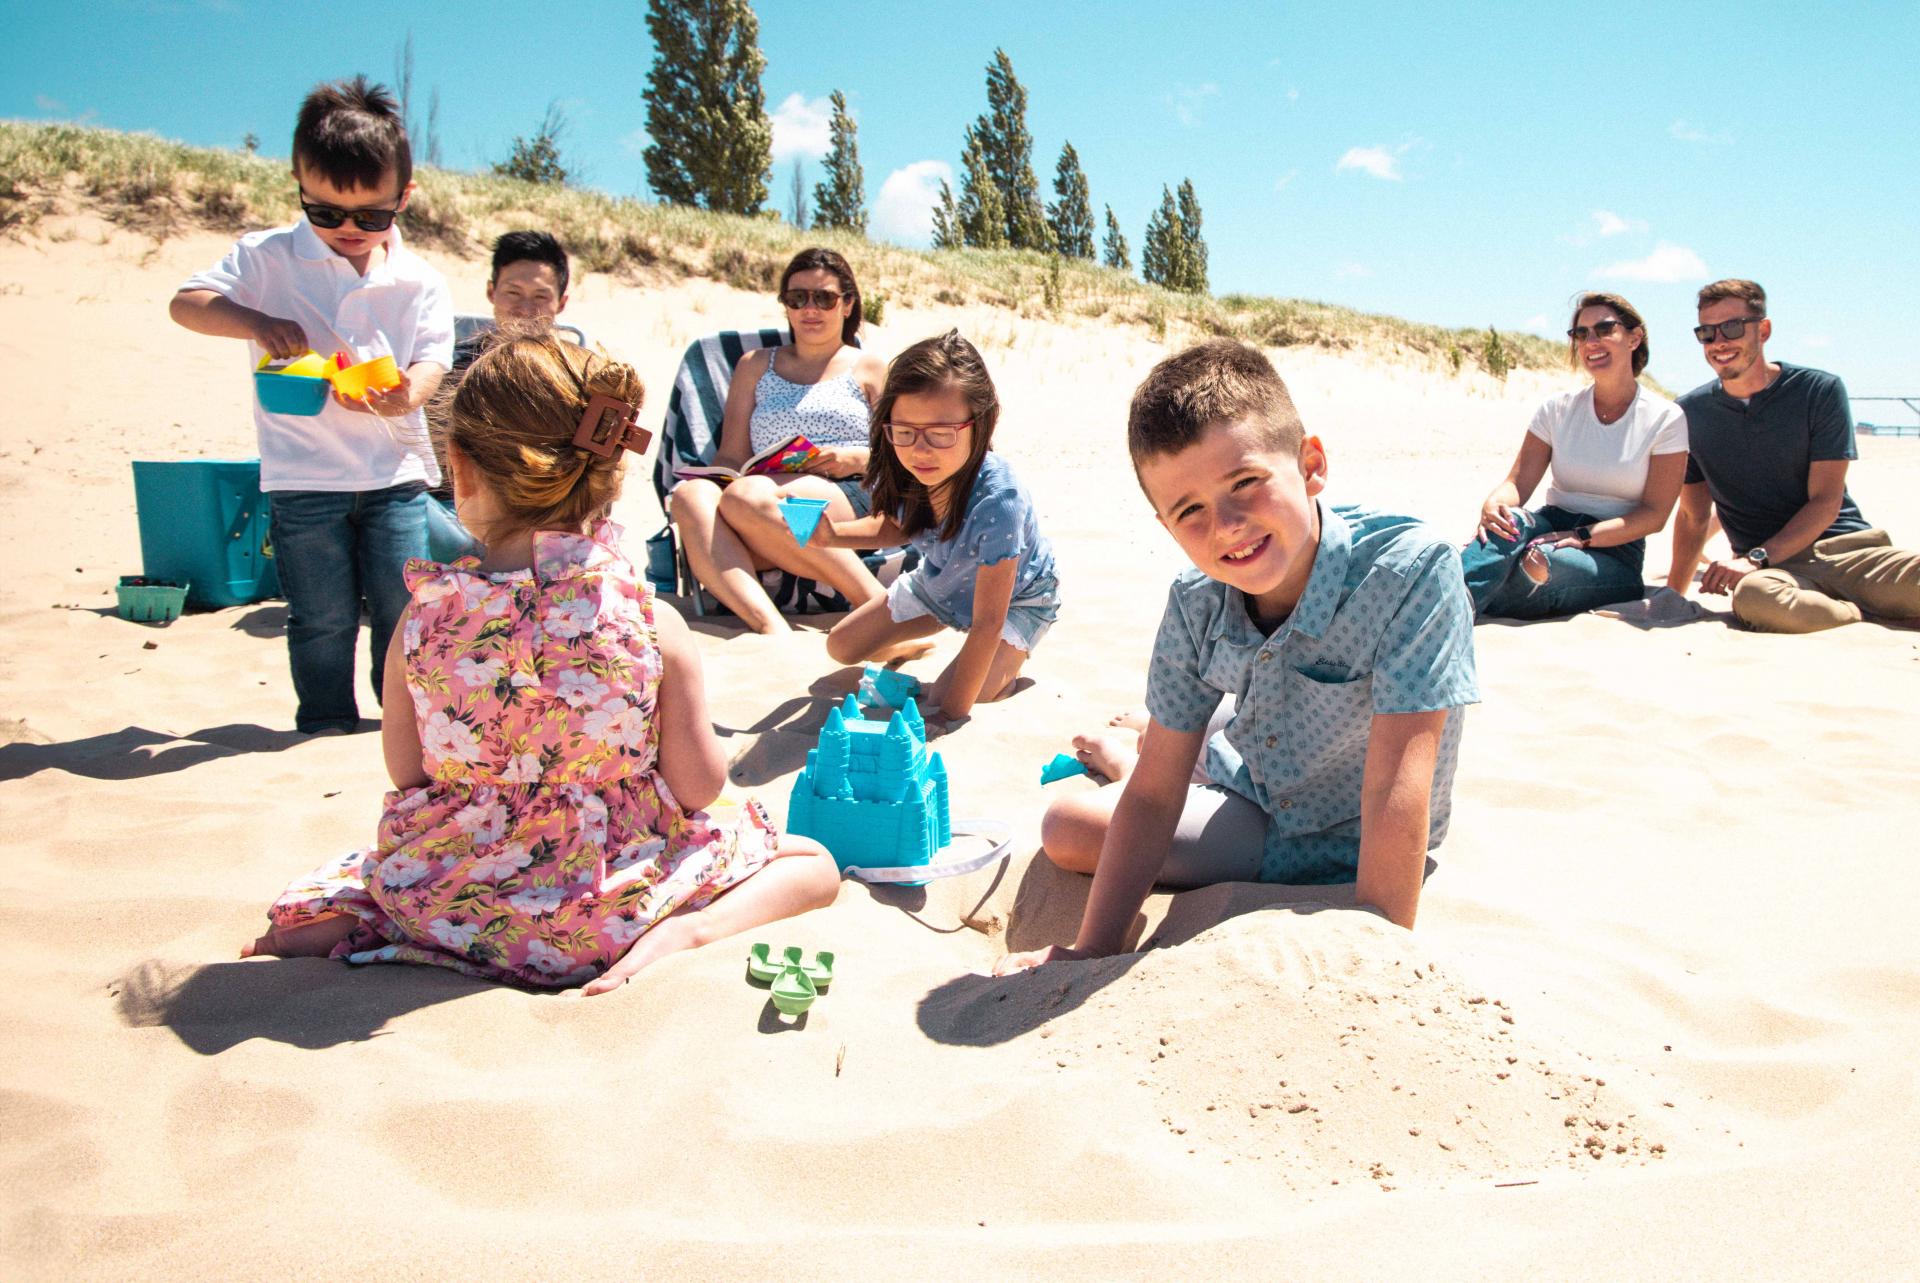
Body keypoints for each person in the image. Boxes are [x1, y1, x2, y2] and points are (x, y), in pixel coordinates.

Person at [240, 335, 841, 993]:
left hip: (451, 900)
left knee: (368, 881)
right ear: (609, 473)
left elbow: (409, 774)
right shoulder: (650, 620)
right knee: (813, 863)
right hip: (608, 911)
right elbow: (697, 787)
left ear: (460, 471)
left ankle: (371, 924)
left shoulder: (421, 618)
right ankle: (687, 931)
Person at [996, 340, 1478, 975]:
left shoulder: (1410, 573)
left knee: (1076, 821)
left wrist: (1378, 963)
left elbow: (1395, 788)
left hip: (1326, 835)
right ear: (1167, 527)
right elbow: (1154, 796)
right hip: (1256, 758)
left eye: (1246, 482)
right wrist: (1094, 950)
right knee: (1080, 817)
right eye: (1189, 511)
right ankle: (1141, 751)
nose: (1225, 526)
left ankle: (1128, 755)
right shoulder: (1195, 601)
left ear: (1311, 464)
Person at [169, 76, 452, 734]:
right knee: (320, 616)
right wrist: (254, 320)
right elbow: (186, 303)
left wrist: (409, 391)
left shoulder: (418, 279)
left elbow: (434, 358)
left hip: (395, 477)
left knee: (401, 609)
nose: (348, 230)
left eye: (372, 216)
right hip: (304, 480)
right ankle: (324, 725)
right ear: (299, 183)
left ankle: (404, 729)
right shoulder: (268, 258)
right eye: (325, 213)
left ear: (403, 198)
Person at [810, 330, 1060, 721]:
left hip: (1016, 601)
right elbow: (896, 527)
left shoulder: (1001, 499)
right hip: (943, 583)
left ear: (983, 423)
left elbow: (988, 621)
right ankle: (910, 649)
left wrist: (947, 717)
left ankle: (1008, 669)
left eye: (941, 434)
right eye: (905, 432)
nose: (920, 450)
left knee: (956, 695)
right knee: (841, 647)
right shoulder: (909, 465)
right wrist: (831, 536)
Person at [1664, 278, 1920, 632]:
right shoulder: (1690, 412)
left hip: (1847, 552)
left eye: (1732, 327)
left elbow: (1825, 502)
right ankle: (1866, 616)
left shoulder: (1818, 390)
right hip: (1773, 577)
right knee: (1754, 599)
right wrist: (1672, 597)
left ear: (1763, 330)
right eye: (1707, 333)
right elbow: (1693, 516)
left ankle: (1870, 604)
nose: (1719, 342)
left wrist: (1755, 558)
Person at [669, 248, 888, 632]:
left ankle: (874, 604)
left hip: (847, 489)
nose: (810, 308)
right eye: (797, 298)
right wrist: (712, 484)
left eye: (824, 297)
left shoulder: (869, 367)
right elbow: (732, 454)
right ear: (785, 305)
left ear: (848, 304)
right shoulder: (754, 365)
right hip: (758, 500)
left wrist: (854, 458)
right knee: (691, 498)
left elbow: (901, 452)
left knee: (747, 497)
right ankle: (772, 629)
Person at [1460, 292, 1689, 619]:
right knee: (1509, 521)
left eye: (1604, 329)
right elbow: (1517, 483)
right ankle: (1446, 605)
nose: (1591, 341)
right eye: (1581, 334)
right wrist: (1494, 503)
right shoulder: (1557, 408)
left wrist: (1582, 536)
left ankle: (1465, 596)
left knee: (1537, 562)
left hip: (1614, 551)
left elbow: (1655, 515)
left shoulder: (1665, 418)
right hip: (1550, 524)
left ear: (1634, 338)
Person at [452, 230, 572, 375]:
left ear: (561, 303)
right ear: (491, 292)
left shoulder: (576, 375)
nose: (525, 310)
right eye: (514, 293)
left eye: (540, 297)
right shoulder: (453, 367)